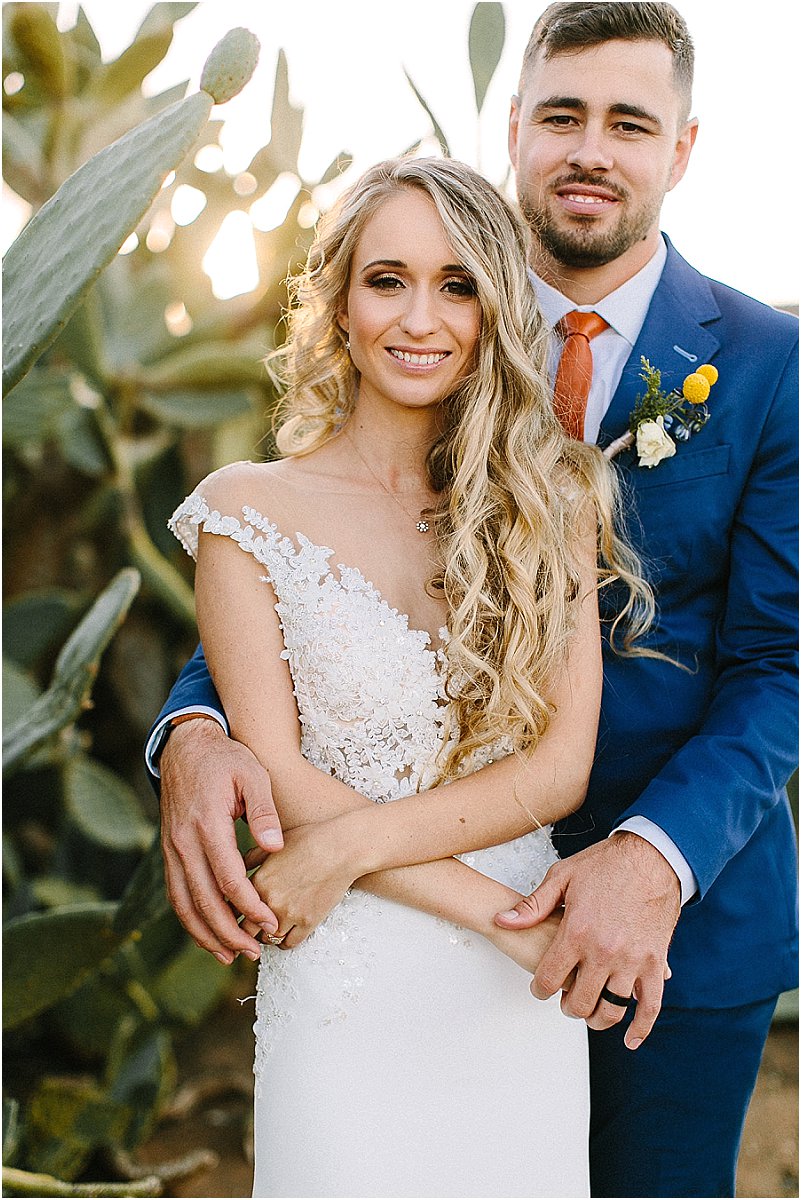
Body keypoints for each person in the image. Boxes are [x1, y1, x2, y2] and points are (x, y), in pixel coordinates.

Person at [147, 4, 799, 1196]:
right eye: (562, 115)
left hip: (680, 921)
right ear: (514, 127)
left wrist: (653, 858)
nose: (590, 149)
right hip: (395, 915)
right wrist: (191, 728)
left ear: (683, 148)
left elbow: (782, 660)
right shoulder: (427, 327)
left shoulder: (768, 361)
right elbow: (312, 584)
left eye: (629, 123)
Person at [160, 155, 658, 1196]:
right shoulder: (244, 511)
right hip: (362, 971)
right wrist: (503, 924)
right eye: (387, 280)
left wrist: (344, 849)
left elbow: (558, 770)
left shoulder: (554, 502)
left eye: (457, 285)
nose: (419, 319)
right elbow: (279, 773)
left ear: (493, 311)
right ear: (339, 303)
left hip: (507, 998)